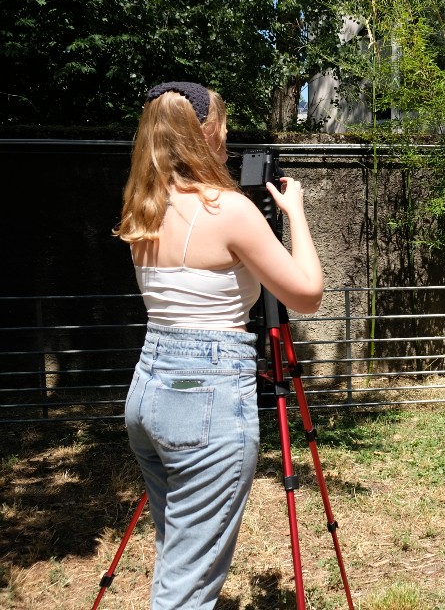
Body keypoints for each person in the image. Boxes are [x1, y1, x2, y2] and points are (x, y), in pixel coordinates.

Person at [113, 81, 323, 609]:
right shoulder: (227, 210)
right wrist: (294, 211)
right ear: (202, 134)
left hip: (149, 391)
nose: (226, 140)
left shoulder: (142, 206)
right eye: (222, 130)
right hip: (204, 398)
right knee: (187, 589)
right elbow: (307, 294)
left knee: (179, 551)